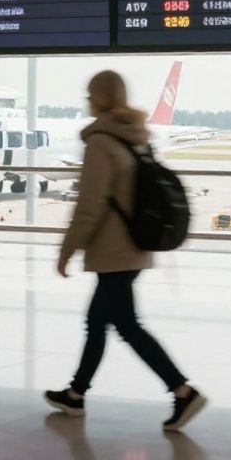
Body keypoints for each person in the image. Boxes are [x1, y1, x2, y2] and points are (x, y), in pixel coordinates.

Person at [44, 70, 206, 432]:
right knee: (97, 323)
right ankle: (76, 393)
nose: (87, 101)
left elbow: (90, 204)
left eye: (90, 95)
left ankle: (182, 390)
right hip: (134, 245)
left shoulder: (101, 141)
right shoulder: (137, 137)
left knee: (128, 326)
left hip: (113, 249)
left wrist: (67, 249)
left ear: (100, 98)